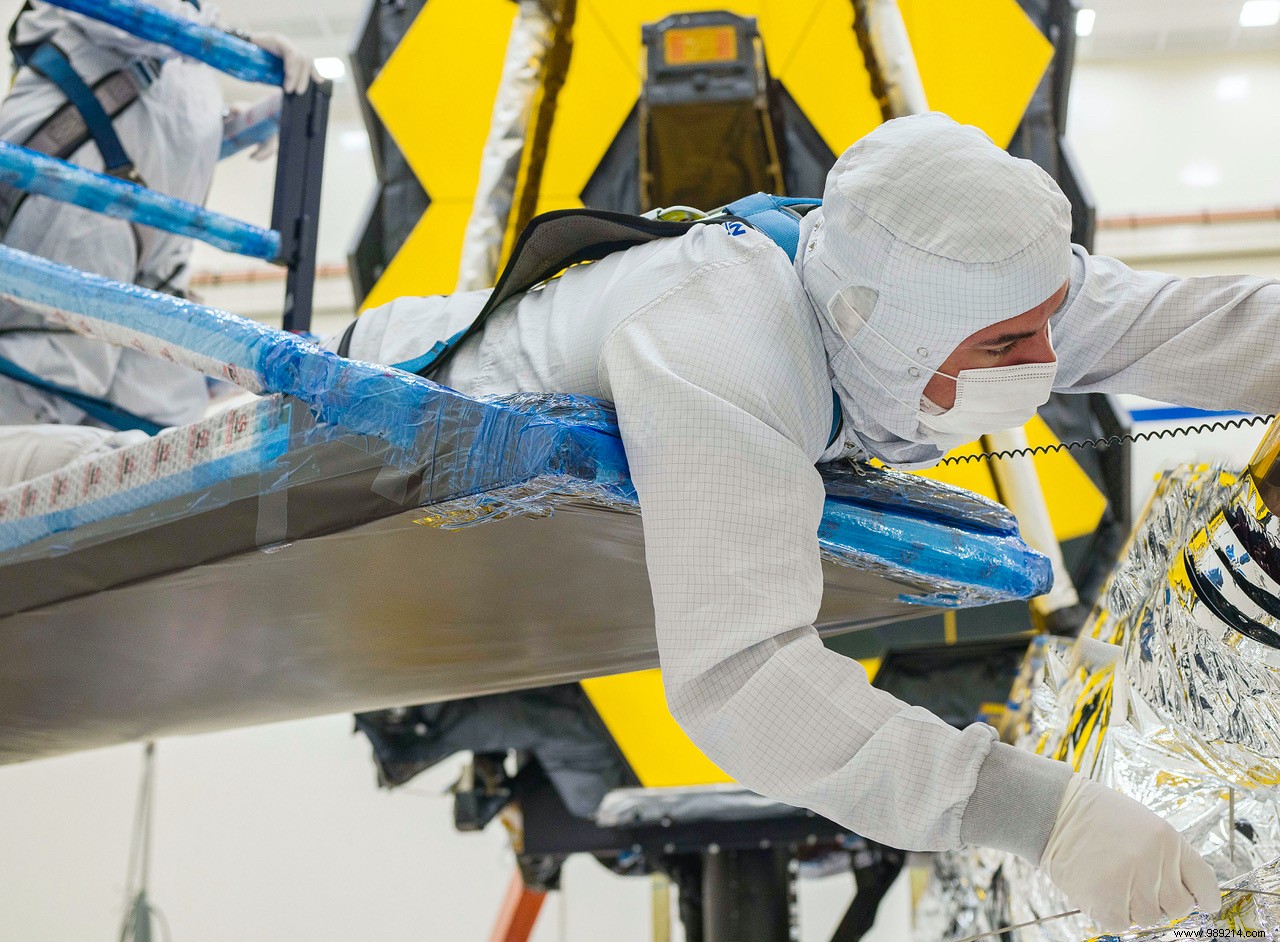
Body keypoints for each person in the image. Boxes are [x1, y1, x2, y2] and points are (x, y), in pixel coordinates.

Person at [331, 112, 1280, 932]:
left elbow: (1191, 325)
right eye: (1007, 345)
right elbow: (743, 682)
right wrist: (1046, 817)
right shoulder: (724, 345)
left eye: (1048, 322)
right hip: (377, 407)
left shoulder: (954, 292)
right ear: (886, 331)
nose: (1043, 358)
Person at [0, 0, 311, 429]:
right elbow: (138, 22)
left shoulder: (193, 22)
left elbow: (161, 113)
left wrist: (237, 123)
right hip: (75, 194)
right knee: (50, 374)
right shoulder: (186, 24)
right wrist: (236, 43)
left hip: (150, 231)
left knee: (160, 407)